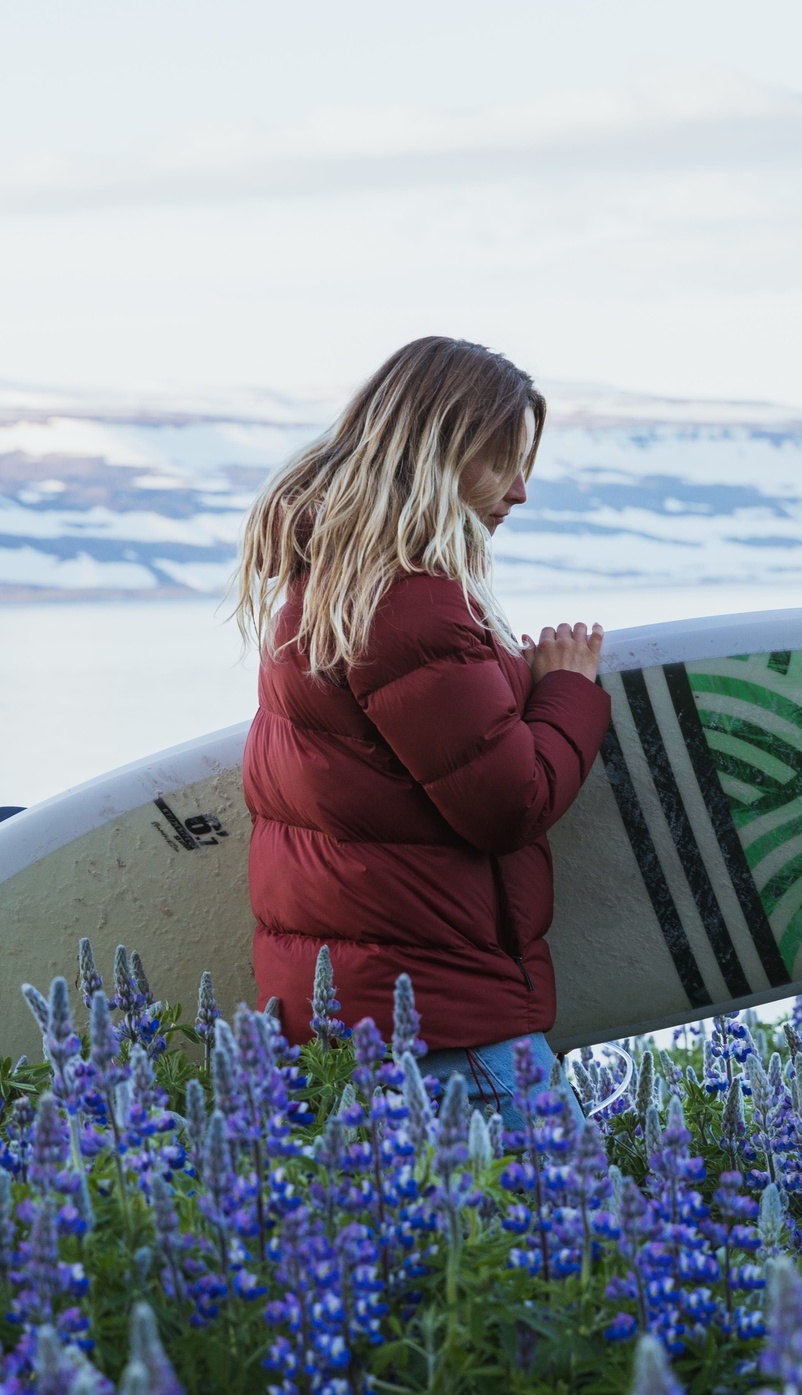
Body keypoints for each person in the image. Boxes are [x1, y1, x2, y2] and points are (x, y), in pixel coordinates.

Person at [231, 336, 609, 1127]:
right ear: (441, 453)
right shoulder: (409, 603)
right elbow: (507, 804)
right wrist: (568, 690)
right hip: (448, 1033)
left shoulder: (330, 589)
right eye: (503, 460)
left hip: (362, 1025)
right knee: (569, 1246)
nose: (521, 491)